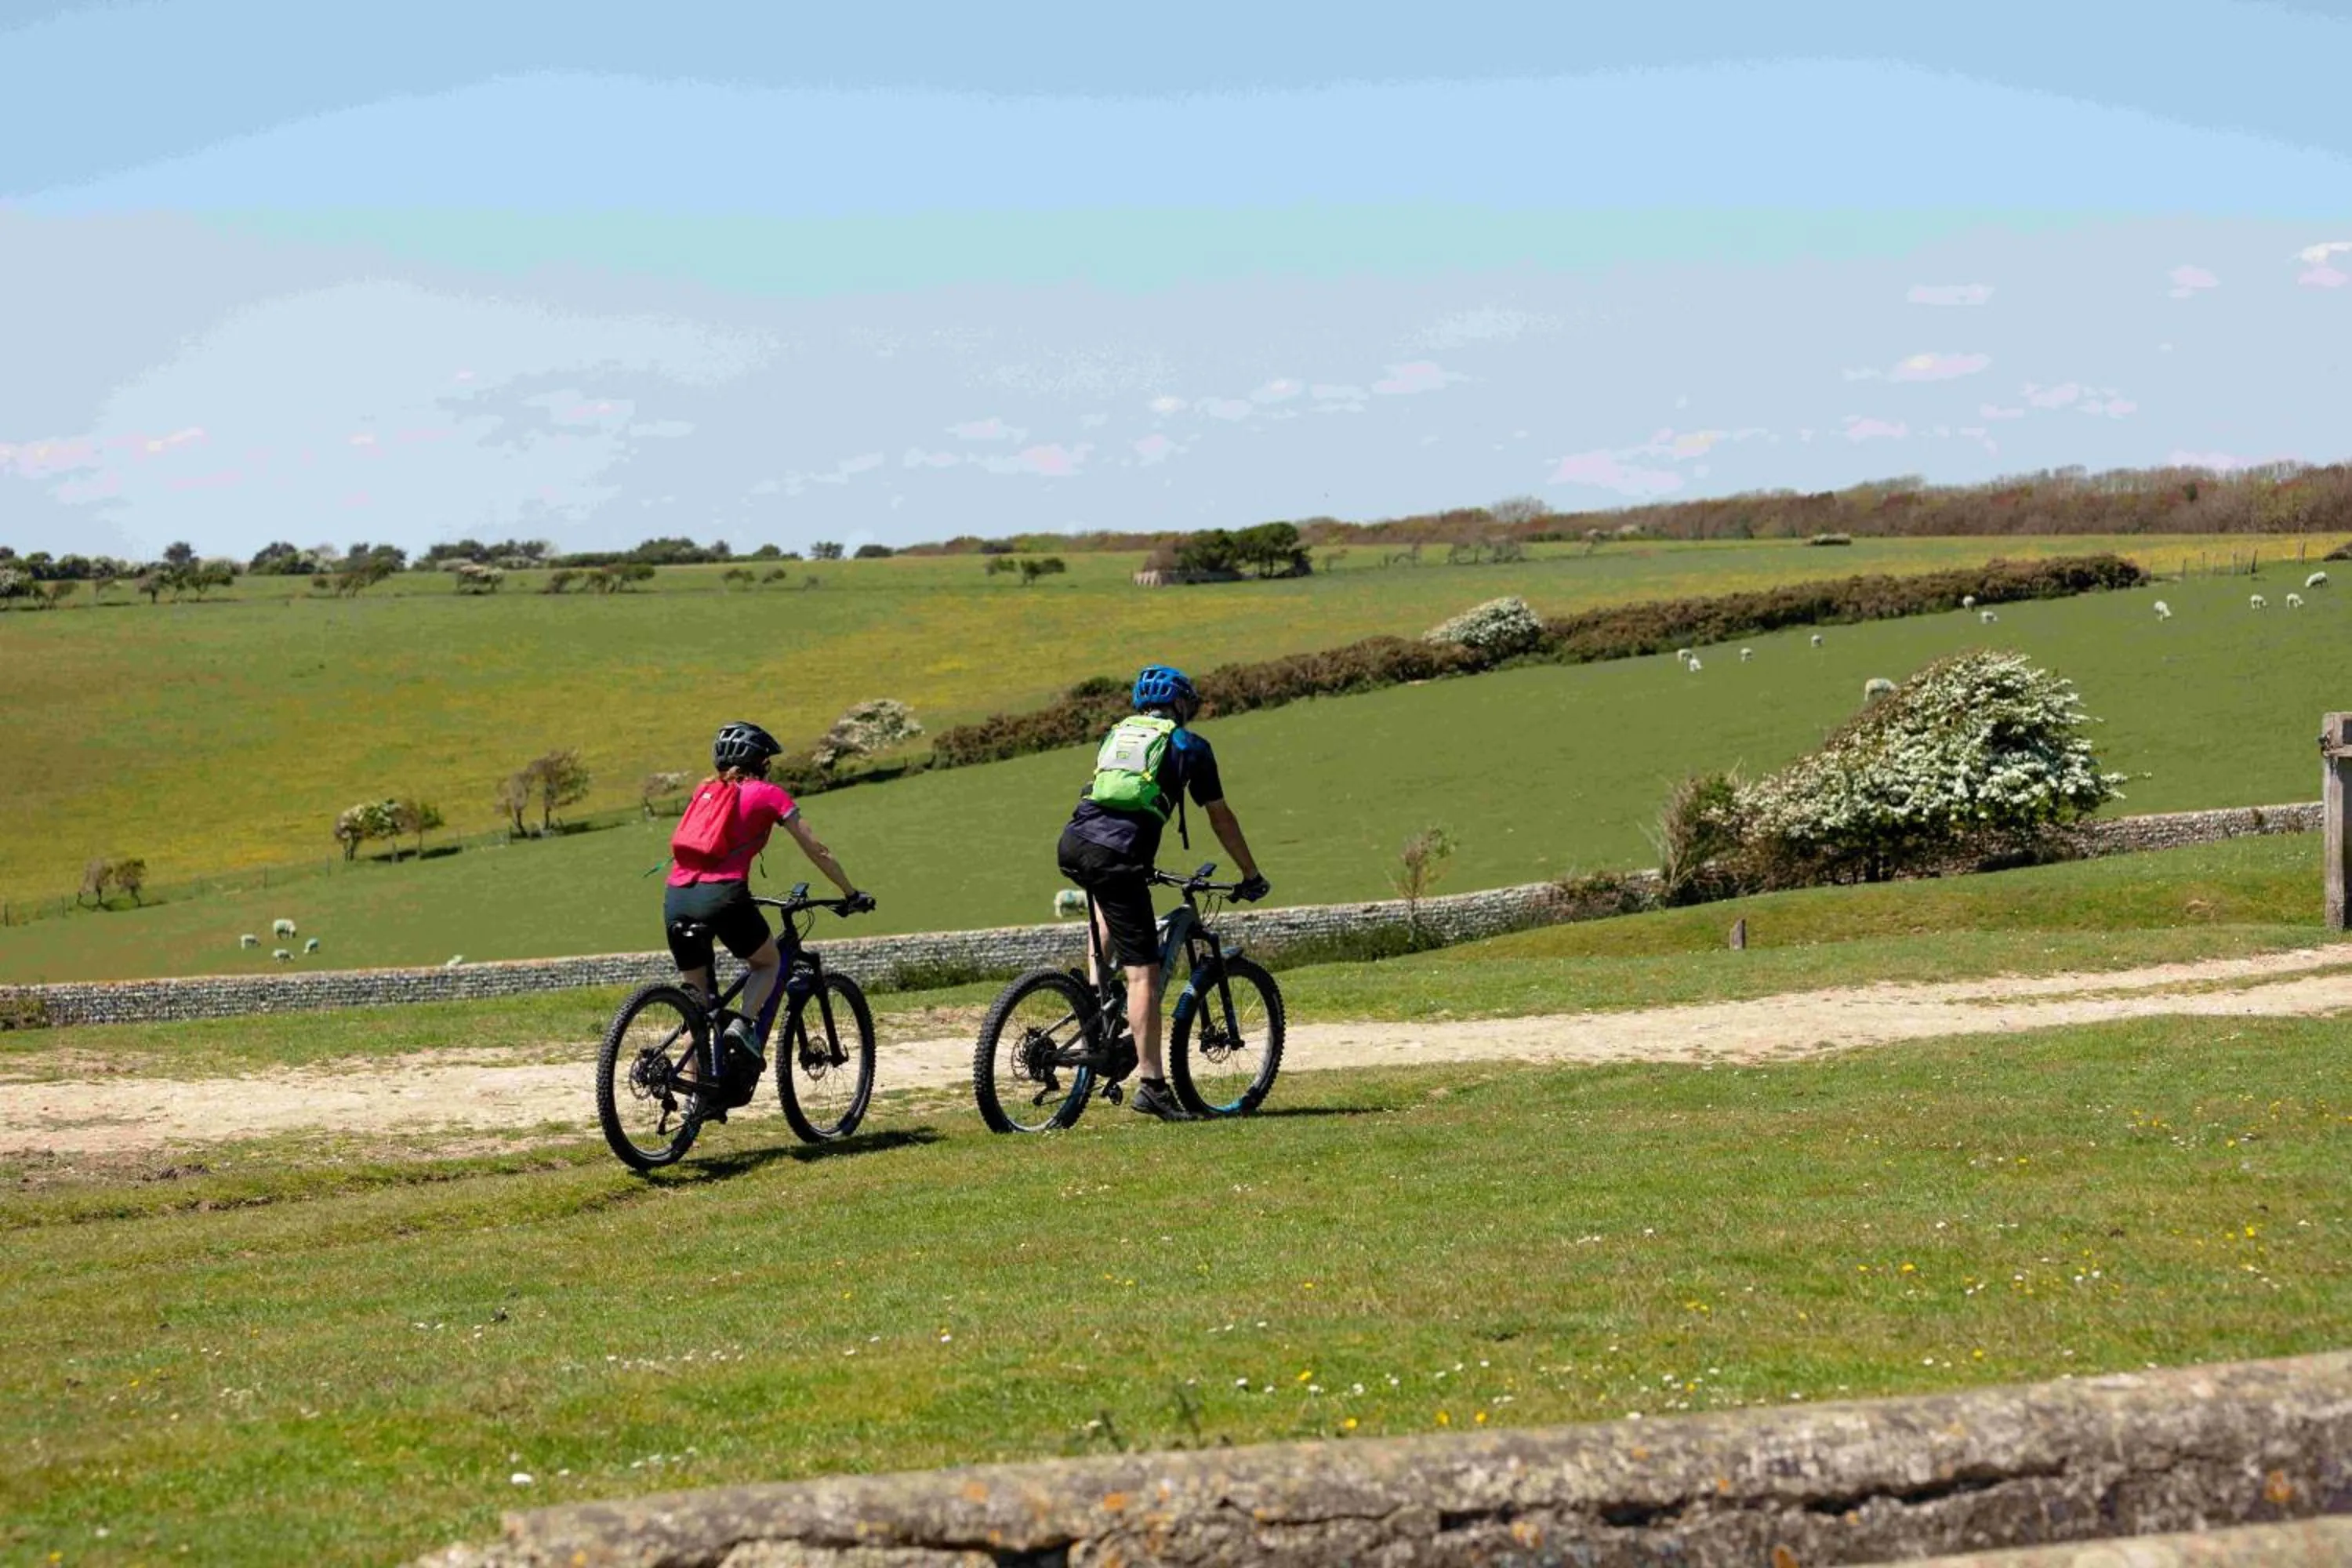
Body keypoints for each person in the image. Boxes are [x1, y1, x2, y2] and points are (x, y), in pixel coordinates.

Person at [1057, 665, 1269, 1121]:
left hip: (1076, 842)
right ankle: (1152, 1085)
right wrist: (1250, 873)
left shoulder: (1118, 735)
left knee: (1106, 914)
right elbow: (1220, 817)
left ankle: (1095, 1005)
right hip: (1120, 853)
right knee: (1144, 975)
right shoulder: (1189, 745)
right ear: (1180, 705)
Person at [666, 720, 871, 1114]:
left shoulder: (704, 791)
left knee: (697, 1002)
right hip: (723, 896)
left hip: (677, 897)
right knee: (768, 962)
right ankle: (742, 1026)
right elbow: (818, 850)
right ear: (759, 762)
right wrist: (850, 893)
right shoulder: (767, 794)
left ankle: (695, 1097)